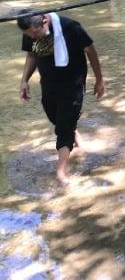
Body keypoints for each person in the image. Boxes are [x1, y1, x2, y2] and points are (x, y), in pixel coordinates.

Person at [17, 10, 105, 186]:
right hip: (49, 83)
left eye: (35, 33)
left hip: (73, 83)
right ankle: (76, 138)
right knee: (55, 117)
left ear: (44, 21)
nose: (33, 37)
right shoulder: (31, 30)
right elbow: (32, 55)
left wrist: (99, 80)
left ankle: (61, 173)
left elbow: (90, 51)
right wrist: (24, 81)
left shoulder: (71, 27)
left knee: (63, 129)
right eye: (29, 35)